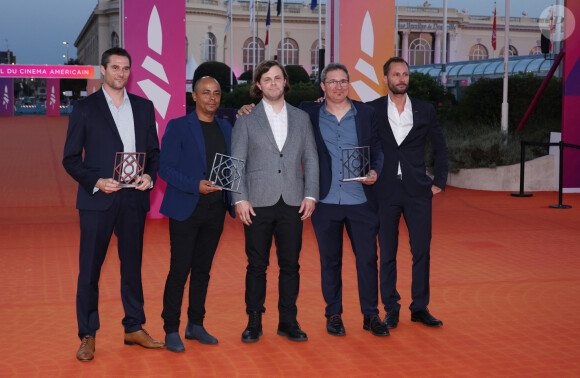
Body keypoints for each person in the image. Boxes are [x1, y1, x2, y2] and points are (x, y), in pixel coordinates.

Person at [62, 47, 163, 362]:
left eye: (125, 68)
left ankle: (134, 326)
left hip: (133, 199)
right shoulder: (84, 109)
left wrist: (149, 175)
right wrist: (97, 181)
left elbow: (154, 152)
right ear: (103, 70)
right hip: (98, 200)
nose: (121, 73)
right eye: (115, 67)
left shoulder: (145, 108)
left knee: (132, 267)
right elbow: (69, 159)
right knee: (90, 270)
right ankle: (88, 334)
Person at [232, 60, 319, 343]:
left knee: (290, 265)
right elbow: (237, 162)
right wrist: (239, 198)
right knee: (256, 265)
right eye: (266, 79)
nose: (272, 83)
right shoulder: (245, 118)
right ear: (258, 85)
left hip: (293, 200)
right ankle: (254, 320)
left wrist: (310, 194)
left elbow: (311, 159)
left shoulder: (302, 118)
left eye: (277, 78)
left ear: (285, 82)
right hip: (256, 201)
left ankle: (288, 321)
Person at [298, 63, 388, 337]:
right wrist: (247, 109)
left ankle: (371, 315)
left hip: (360, 199)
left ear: (349, 84)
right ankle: (333, 314)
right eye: (332, 82)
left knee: (368, 259)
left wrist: (375, 171)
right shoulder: (308, 112)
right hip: (325, 200)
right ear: (322, 86)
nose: (338, 86)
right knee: (330, 261)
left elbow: (377, 149)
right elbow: (276, 111)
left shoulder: (366, 113)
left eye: (343, 81)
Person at [367, 57, 448, 329]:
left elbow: (440, 147)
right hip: (384, 191)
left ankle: (420, 307)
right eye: (396, 74)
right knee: (387, 252)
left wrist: (440, 181)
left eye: (405, 74)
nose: (401, 79)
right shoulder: (372, 110)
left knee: (421, 250)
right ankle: (391, 307)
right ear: (385, 79)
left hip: (417, 191)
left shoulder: (424, 110)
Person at [158, 77, 234, 352]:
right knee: (180, 270)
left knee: (203, 270)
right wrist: (194, 185)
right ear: (194, 96)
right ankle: (170, 329)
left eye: (216, 93)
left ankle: (196, 325)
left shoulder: (226, 127)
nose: (212, 98)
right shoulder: (178, 127)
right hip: (185, 209)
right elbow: (164, 168)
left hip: (215, 211)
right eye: (205, 93)